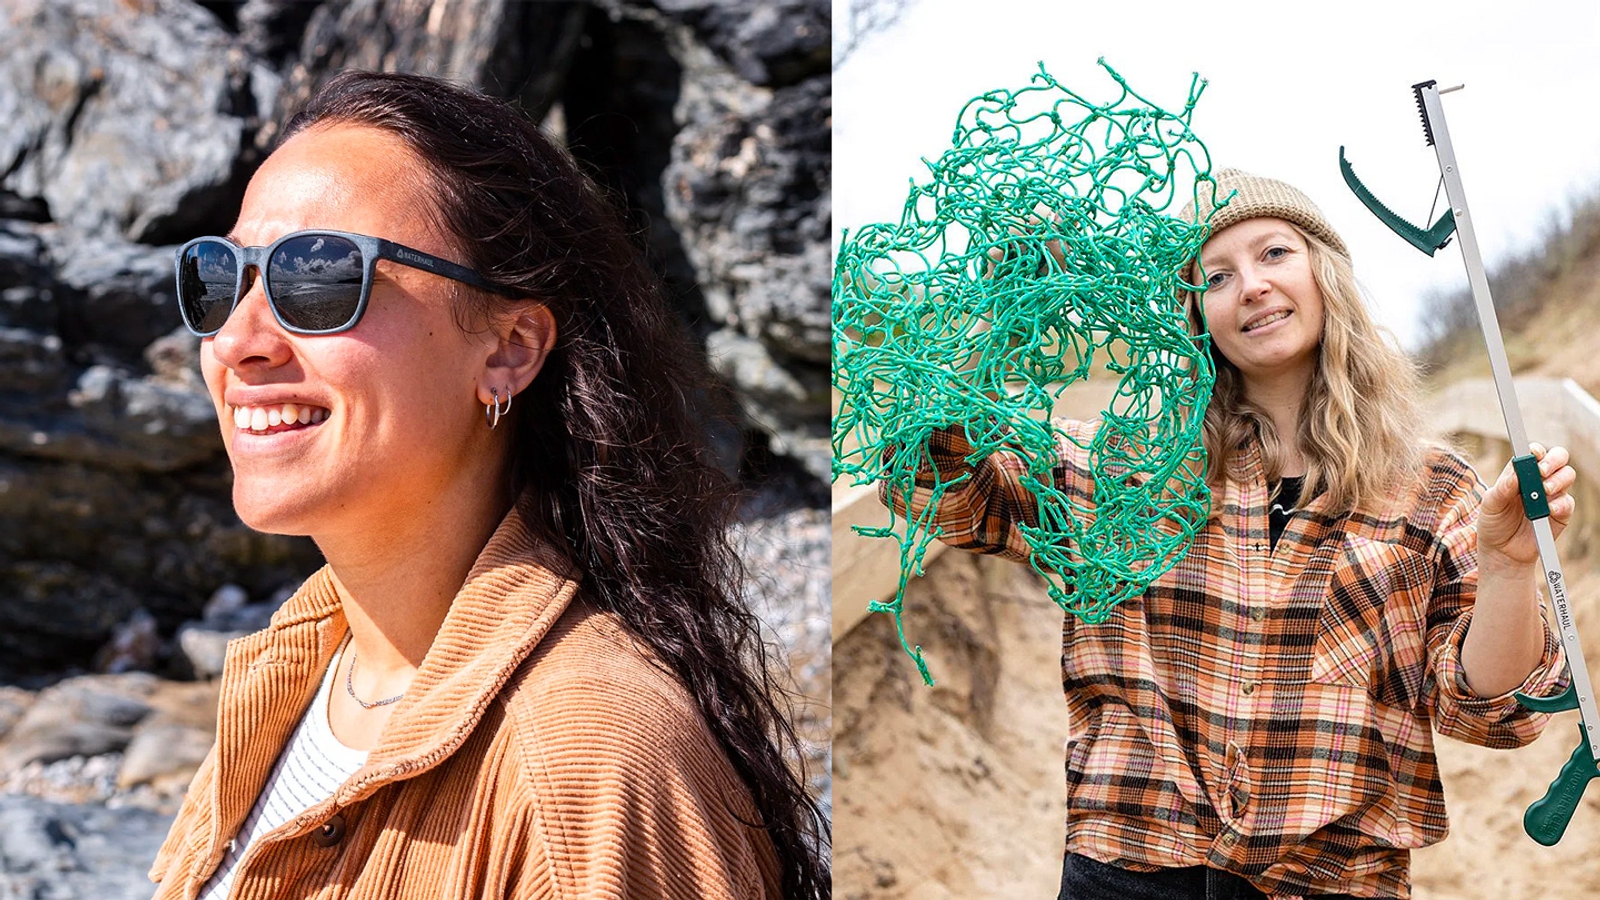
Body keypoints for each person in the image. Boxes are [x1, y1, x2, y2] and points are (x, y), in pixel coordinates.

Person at [147, 71, 827, 900]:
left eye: (318, 277)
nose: (237, 342)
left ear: (509, 347)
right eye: (219, 280)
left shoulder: (592, 769)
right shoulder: (294, 676)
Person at [886, 169, 1574, 899]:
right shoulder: (1127, 466)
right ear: (1195, 313)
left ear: (1326, 273)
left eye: (1274, 254)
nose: (1250, 285)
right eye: (1217, 275)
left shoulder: (1436, 489)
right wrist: (1007, 317)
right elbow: (927, 485)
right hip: (1129, 866)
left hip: (1330, 880)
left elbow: (1495, 711)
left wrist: (1506, 569)